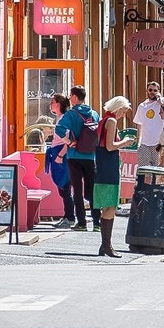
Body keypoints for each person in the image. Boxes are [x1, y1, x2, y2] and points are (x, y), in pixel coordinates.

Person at [94, 97, 137, 257]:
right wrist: (125, 142)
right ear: (118, 108)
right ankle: (107, 245)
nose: (123, 115)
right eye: (124, 111)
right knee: (110, 205)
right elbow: (110, 145)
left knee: (108, 205)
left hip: (104, 164)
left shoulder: (104, 119)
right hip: (108, 166)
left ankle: (105, 245)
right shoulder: (111, 121)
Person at [55, 85, 100, 231]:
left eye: (70, 96)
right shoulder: (94, 114)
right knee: (92, 189)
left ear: (74, 97)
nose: (69, 98)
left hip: (74, 155)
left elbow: (59, 128)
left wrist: (68, 142)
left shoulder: (71, 114)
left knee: (77, 190)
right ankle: (97, 222)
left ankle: (81, 222)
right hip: (90, 156)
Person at [46, 94, 76, 226]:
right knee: (63, 188)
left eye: (52, 102)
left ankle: (69, 217)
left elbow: (67, 140)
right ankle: (68, 215)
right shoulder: (59, 118)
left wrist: (60, 156)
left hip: (61, 155)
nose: (50, 104)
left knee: (64, 187)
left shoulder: (64, 119)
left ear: (58, 104)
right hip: (57, 153)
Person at [133, 81, 164, 169]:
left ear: (159, 91)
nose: (152, 92)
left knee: (158, 171)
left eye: (155, 90)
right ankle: (145, 183)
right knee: (144, 171)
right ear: (147, 91)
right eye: (150, 90)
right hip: (144, 144)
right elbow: (139, 124)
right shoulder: (142, 106)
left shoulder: (163, 103)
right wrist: (139, 142)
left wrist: (160, 100)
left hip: (159, 144)